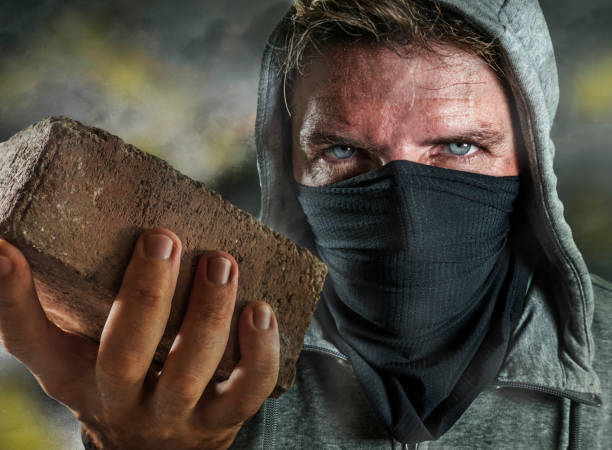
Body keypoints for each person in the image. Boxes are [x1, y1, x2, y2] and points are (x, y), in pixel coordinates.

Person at [0, 0, 610, 448]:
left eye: (457, 146)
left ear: (531, 161)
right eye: (343, 152)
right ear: (288, 167)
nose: (404, 202)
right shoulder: (186, 379)